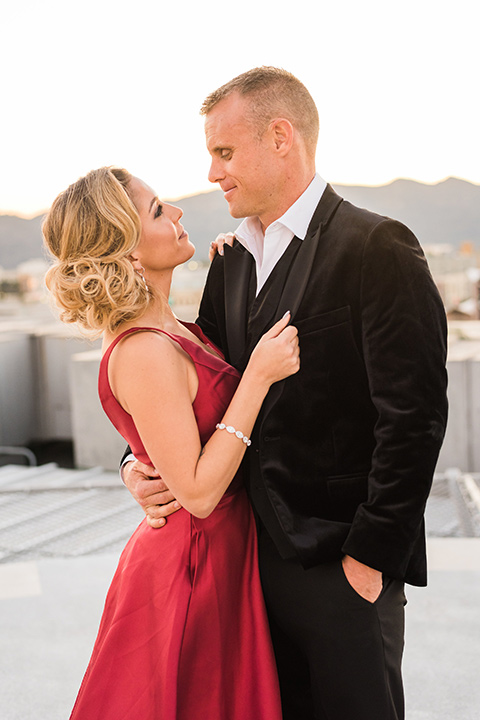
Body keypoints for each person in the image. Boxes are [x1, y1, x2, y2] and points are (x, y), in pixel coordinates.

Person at [122, 67, 449, 720]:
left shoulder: (377, 246)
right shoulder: (231, 262)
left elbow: (413, 417)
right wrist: (133, 462)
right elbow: (190, 381)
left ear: (280, 137)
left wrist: (368, 559)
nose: (213, 173)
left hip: (343, 570)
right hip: (246, 569)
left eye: (223, 152)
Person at [42, 166, 300, 720]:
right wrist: (256, 378)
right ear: (127, 249)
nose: (178, 213)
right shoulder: (144, 351)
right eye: (159, 210)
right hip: (191, 565)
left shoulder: (173, 328)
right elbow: (200, 493)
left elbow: (168, 436)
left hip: (223, 553)